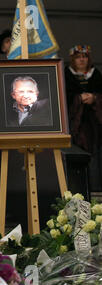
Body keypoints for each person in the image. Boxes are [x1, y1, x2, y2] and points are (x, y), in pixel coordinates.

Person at [65, 45, 102, 191]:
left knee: (95, 158)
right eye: (78, 57)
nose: (82, 60)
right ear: (73, 59)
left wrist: (95, 98)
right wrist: (78, 99)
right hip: (74, 126)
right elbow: (63, 98)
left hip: (95, 127)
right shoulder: (66, 75)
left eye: (84, 56)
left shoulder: (96, 75)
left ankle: (96, 189)